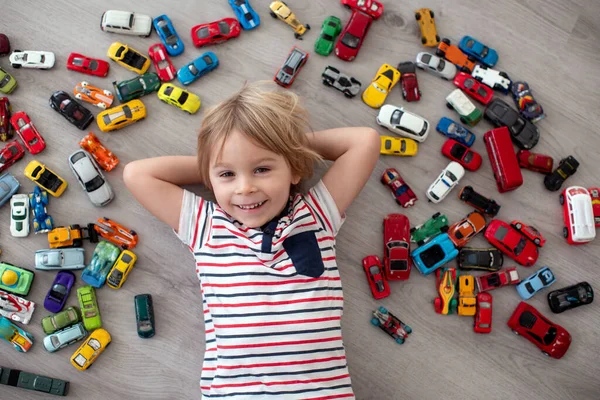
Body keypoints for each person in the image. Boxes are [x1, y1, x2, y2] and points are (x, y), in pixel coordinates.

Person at [124, 81, 380, 399]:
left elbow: (365, 141)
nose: (245, 188)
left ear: (295, 169)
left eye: (261, 169)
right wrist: (217, 161)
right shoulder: (208, 227)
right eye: (228, 175)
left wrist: (284, 148)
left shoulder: (315, 217)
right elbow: (137, 175)